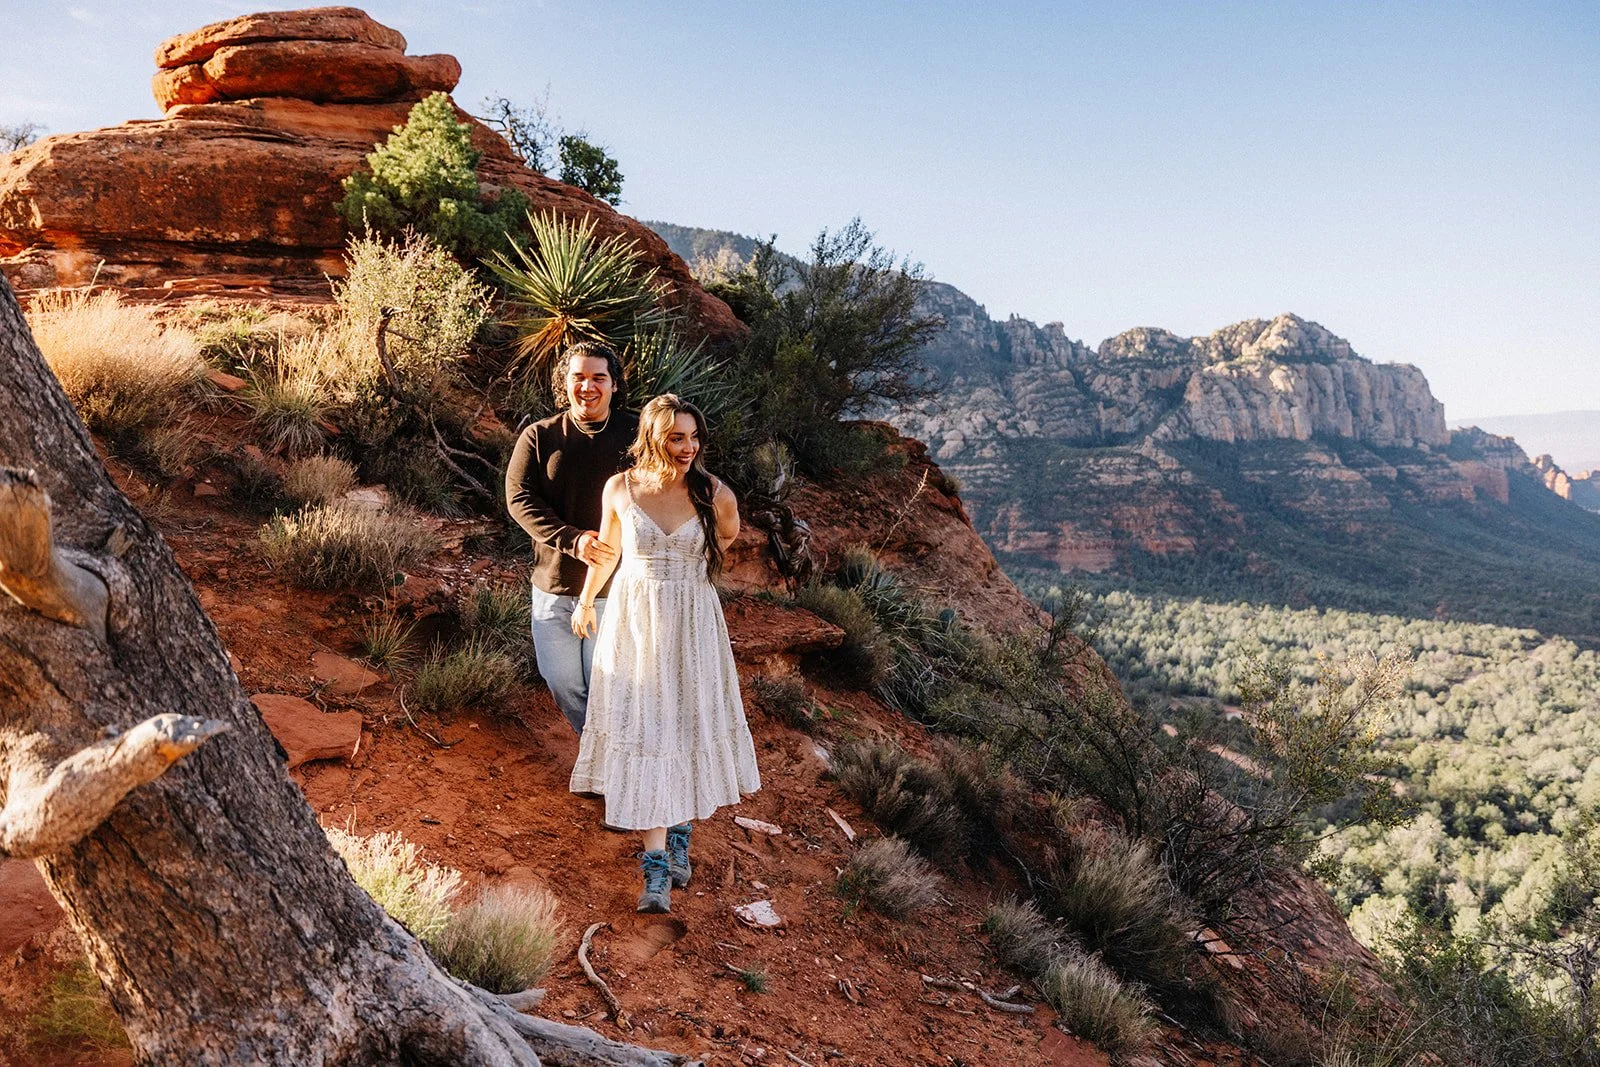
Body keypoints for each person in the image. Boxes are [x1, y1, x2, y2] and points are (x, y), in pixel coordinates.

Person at [568, 394, 761, 912]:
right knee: (646, 729)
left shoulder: (714, 493)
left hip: (693, 625)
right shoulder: (620, 489)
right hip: (635, 622)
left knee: (683, 728)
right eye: (677, 437)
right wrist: (586, 601)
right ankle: (656, 869)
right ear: (653, 436)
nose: (688, 447)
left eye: (694, 438)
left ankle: (679, 833)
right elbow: (607, 555)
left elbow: (727, 538)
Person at [504, 341, 638, 737]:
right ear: (565, 383)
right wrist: (573, 541)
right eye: (578, 377)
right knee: (564, 684)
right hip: (555, 585)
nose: (588, 387)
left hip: (616, 590)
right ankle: (601, 752)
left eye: (599, 377)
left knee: (606, 686)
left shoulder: (638, 434)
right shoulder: (539, 436)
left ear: (614, 384)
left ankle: (608, 768)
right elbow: (518, 498)